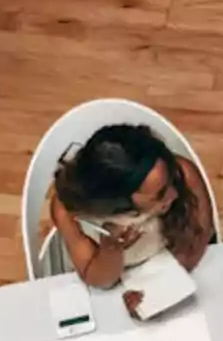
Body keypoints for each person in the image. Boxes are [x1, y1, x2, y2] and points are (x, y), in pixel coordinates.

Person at [49, 124, 214, 314]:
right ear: (117, 204)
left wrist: (160, 290)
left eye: (170, 177)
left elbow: (197, 239)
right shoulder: (70, 213)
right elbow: (99, 280)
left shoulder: (184, 174)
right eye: (160, 195)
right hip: (113, 290)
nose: (175, 194)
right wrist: (111, 250)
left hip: (176, 269)